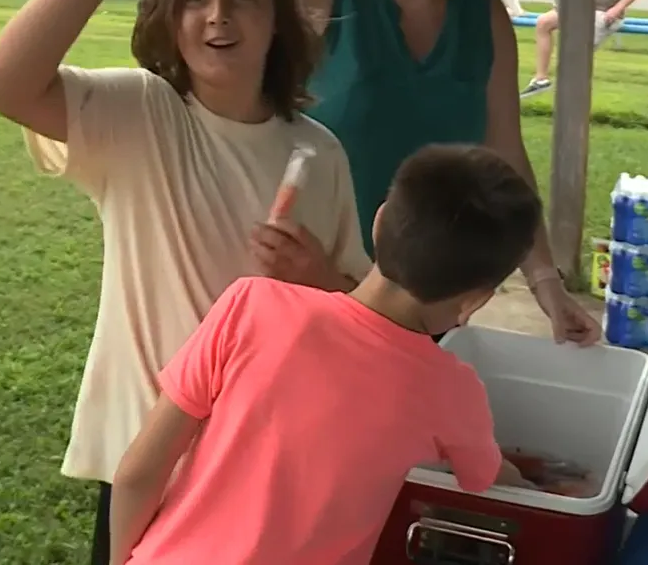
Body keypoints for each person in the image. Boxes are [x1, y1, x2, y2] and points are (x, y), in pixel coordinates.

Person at [0, 0, 371, 563]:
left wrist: (321, 282)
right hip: (146, 465)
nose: (217, 15)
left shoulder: (319, 154)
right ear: (169, 13)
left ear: (279, 18)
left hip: (264, 472)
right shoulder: (140, 114)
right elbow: (4, 83)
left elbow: (364, 318)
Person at [110, 144, 540, 565]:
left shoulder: (251, 304)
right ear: (475, 301)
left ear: (379, 221)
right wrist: (546, 486)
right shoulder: (452, 389)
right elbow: (489, 476)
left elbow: (138, 473)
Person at [296, 0, 601, 346]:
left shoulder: (485, 18)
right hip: (311, 279)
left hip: (425, 299)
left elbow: (505, 157)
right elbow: (258, 127)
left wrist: (546, 283)